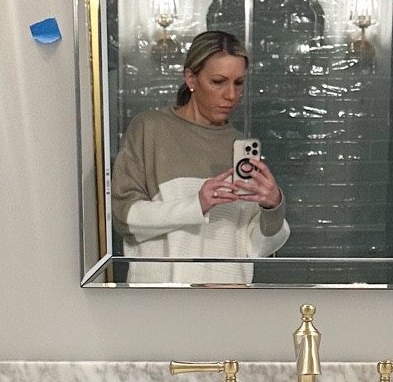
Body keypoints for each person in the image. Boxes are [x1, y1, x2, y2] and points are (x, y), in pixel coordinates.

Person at [110, 30, 289, 285]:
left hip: (227, 302)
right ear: (191, 78)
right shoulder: (150, 129)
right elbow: (125, 219)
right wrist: (197, 205)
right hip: (160, 303)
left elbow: (254, 248)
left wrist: (273, 207)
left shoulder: (239, 147)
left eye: (238, 83)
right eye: (218, 81)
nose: (231, 95)